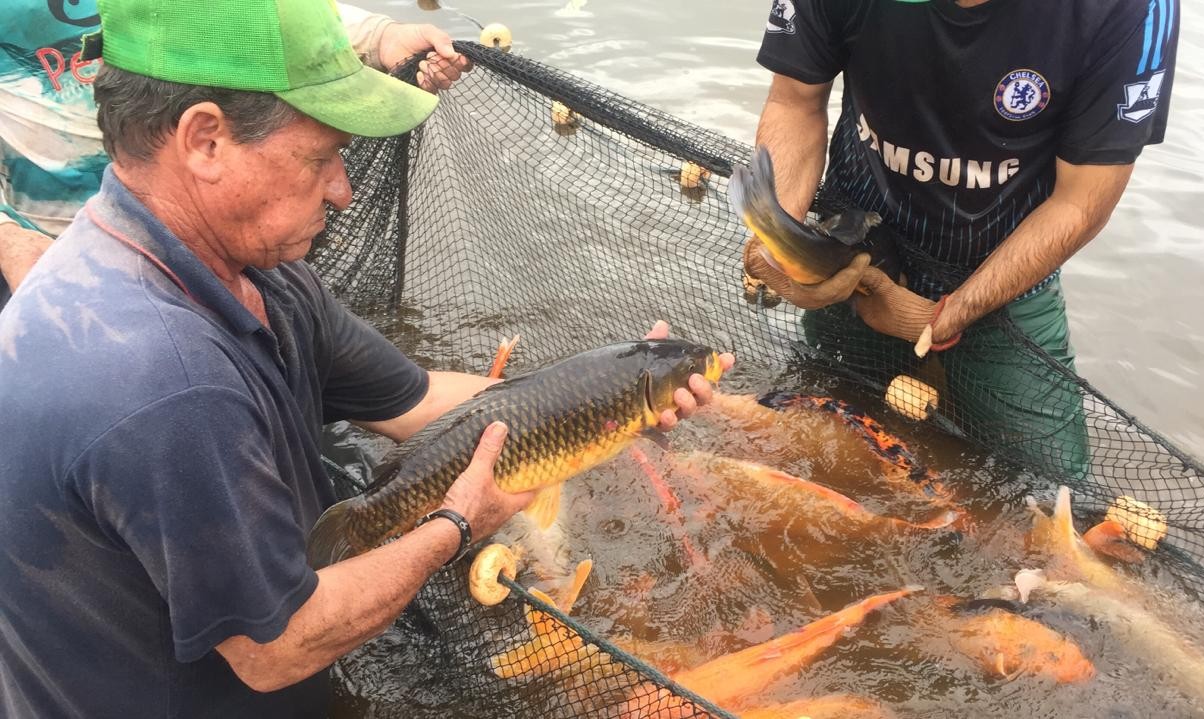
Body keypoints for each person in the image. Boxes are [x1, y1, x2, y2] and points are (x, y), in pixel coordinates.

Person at [0, 1, 733, 716]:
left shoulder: (255, 273)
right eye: (321, 157)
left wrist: (598, 393)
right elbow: (277, 646)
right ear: (205, 141)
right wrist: (453, 525)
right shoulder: (159, 380)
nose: (344, 191)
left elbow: (415, 401)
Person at [743, 0, 1178, 476]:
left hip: (1003, 270)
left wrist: (948, 316)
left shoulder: (1129, 9)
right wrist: (781, 238)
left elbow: (1082, 198)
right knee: (821, 436)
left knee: (1048, 488)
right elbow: (795, 100)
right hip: (856, 247)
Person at [0, 0, 471, 310]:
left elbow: (254, 14)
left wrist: (377, 37)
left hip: (215, 215)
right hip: (51, 241)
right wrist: (11, 243)